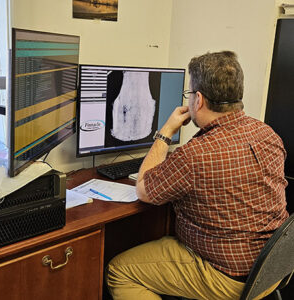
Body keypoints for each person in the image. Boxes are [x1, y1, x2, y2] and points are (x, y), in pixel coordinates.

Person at [106, 51, 289, 300]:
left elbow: (144, 190)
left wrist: (165, 132)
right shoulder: (267, 134)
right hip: (272, 269)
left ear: (199, 99)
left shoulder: (195, 155)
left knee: (120, 271)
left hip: (229, 278)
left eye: (189, 94)